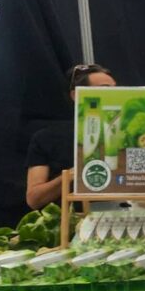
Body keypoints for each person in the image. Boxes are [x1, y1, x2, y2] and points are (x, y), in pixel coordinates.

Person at [25, 64, 116, 209]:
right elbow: (34, 199)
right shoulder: (47, 138)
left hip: (123, 216)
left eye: (116, 90)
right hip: (71, 218)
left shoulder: (128, 134)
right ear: (76, 95)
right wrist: (73, 174)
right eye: (105, 89)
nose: (113, 95)